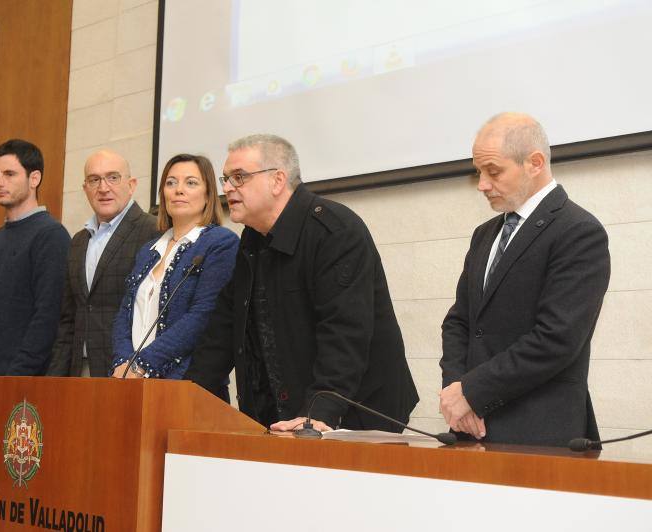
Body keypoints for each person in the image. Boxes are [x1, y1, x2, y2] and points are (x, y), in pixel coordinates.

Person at [185, 134, 418, 432]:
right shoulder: (252, 240)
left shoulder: (335, 231)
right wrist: (187, 399)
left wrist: (319, 413)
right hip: (285, 417)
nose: (227, 187)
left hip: (355, 416)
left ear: (277, 180)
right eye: (226, 178)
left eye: (239, 177)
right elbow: (222, 333)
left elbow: (345, 333)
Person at [439, 112, 610, 447]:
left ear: (534, 163)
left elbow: (555, 339)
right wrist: (456, 394)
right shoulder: (484, 234)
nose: (482, 184)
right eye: (478, 172)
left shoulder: (579, 231)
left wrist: (472, 393)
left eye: (494, 171)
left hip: (539, 433)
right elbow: (460, 322)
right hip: (470, 429)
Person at [111, 154, 238, 382]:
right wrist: (122, 362)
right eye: (171, 183)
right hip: (131, 383)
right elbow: (125, 314)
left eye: (191, 183)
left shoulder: (220, 243)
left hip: (185, 385)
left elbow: (202, 315)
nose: (179, 190)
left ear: (208, 195)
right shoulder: (148, 250)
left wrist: (142, 364)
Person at [0, 139, 71, 376]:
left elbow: (46, 319)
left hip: (14, 385)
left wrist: (15, 378)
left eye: (9, 174)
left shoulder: (51, 236)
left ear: (34, 178)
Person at [47, 150, 158, 377]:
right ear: (85, 188)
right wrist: (55, 377)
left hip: (128, 370)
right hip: (80, 369)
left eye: (113, 177)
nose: (103, 187)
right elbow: (69, 317)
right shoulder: (79, 240)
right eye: (94, 179)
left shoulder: (154, 231)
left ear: (132, 184)